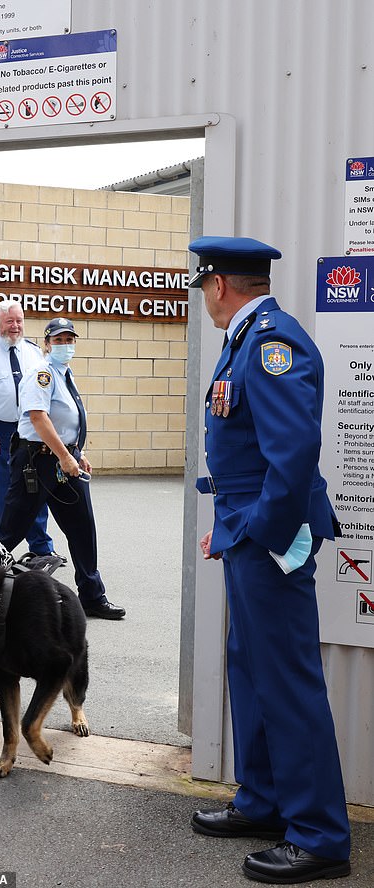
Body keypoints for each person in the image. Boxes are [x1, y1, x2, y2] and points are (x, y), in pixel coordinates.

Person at [188, 237, 350, 883]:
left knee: (285, 678)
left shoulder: (271, 342)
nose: (205, 297)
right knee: (252, 668)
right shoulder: (246, 339)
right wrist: (230, 526)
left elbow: (294, 452)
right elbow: (249, 456)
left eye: (204, 286)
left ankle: (319, 836)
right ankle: (264, 801)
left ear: (219, 284)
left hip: (270, 536)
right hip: (247, 528)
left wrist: (264, 533)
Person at [0, 317, 125, 620]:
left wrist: (77, 453)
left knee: (82, 528)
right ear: (47, 344)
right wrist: (65, 456)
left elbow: (65, 420)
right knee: (10, 531)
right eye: (58, 340)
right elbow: (38, 418)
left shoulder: (64, 373)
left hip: (64, 461)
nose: (65, 345)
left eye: (69, 340)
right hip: (37, 462)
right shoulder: (42, 374)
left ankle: (92, 596)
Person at [0, 300, 62, 560]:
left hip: (30, 430)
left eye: (19, 321)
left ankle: (41, 547)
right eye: (10, 321)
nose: (15, 326)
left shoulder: (34, 352)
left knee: (35, 488)